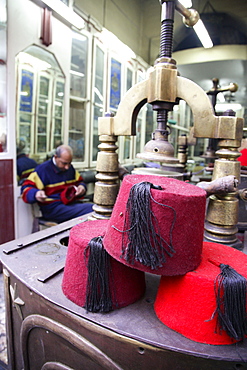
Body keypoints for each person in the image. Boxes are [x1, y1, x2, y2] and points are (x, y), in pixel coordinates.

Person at [21, 145, 93, 223]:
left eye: (69, 163)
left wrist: (82, 187)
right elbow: (25, 188)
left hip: (70, 204)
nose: (67, 167)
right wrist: (35, 193)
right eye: (64, 163)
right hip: (53, 209)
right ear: (55, 157)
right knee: (92, 209)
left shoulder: (70, 169)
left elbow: (80, 182)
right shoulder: (43, 170)